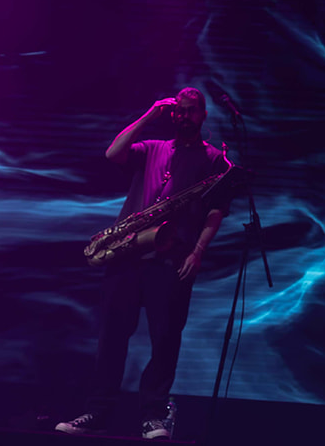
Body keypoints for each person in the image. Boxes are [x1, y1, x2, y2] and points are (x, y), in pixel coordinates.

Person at [57, 88, 230, 440]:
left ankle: (153, 416)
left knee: (164, 341)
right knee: (111, 339)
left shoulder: (214, 160)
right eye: (179, 110)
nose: (184, 116)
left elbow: (216, 212)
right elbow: (113, 153)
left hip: (171, 260)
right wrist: (151, 113)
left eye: (191, 110)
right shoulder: (152, 147)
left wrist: (197, 251)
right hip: (127, 255)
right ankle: (97, 412)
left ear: (203, 115)